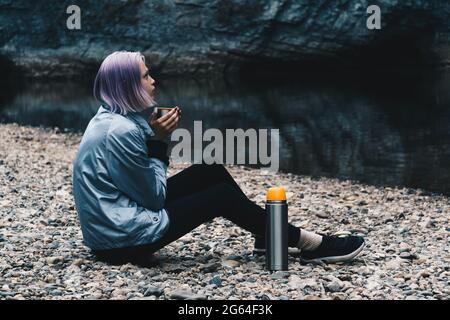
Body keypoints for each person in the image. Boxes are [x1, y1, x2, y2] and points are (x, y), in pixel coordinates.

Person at [72, 51, 365, 267]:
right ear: (128, 87)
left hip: (113, 224)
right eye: (145, 76)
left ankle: (267, 235)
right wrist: (159, 144)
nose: (153, 80)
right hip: (121, 240)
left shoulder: (112, 118)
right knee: (220, 197)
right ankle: (309, 243)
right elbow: (153, 198)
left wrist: (150, 134)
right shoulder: (121, 132)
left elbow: (138, 186)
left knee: (209, 170)